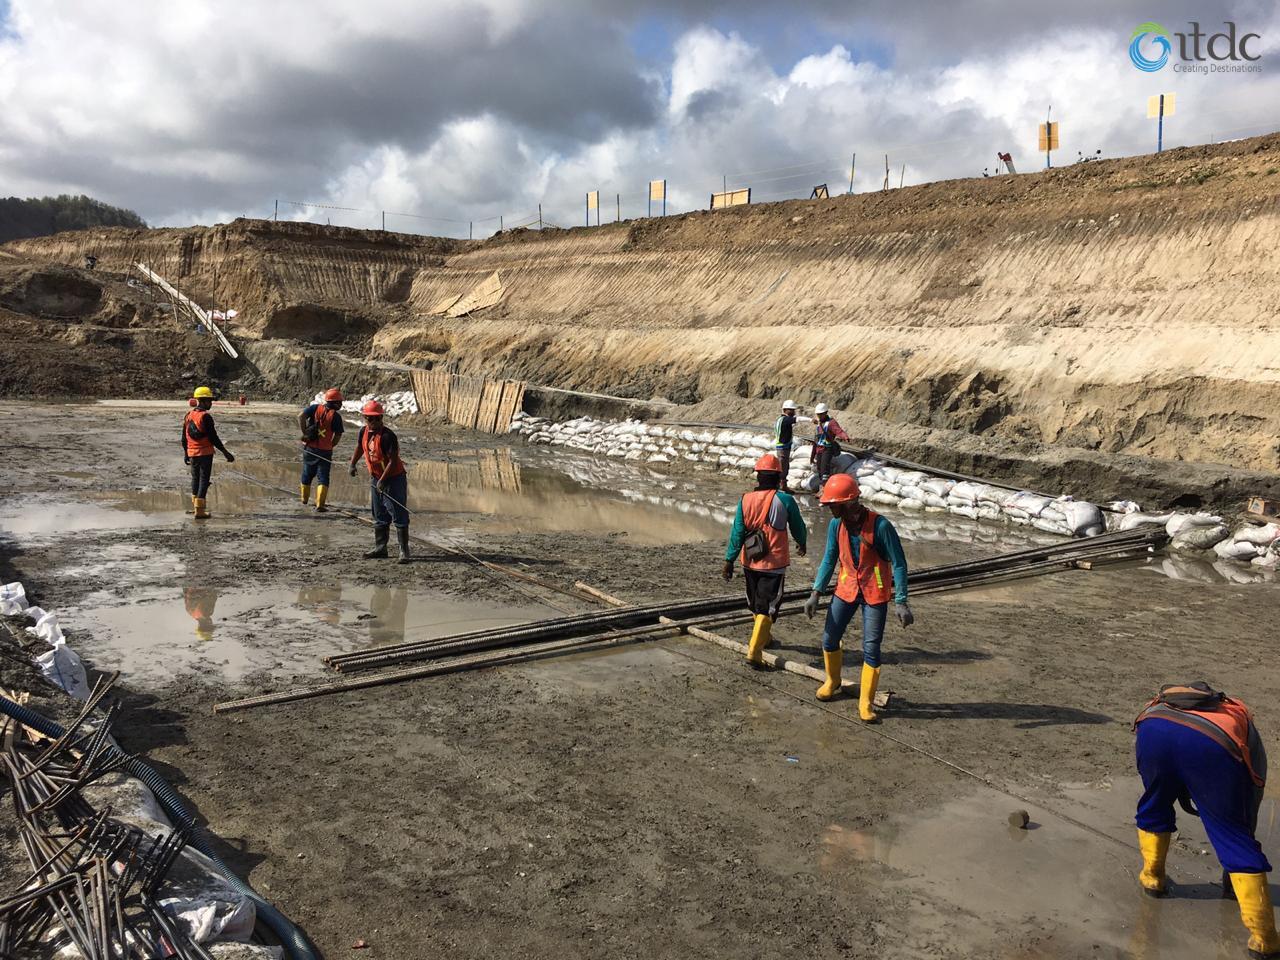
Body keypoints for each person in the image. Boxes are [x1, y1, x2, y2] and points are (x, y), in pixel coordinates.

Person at [1133, 682, 1278, 958]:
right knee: (1233, 835)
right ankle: (1264, 938)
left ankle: (1153, 878)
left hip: (1153, 731)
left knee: (1154, 805)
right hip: (1212, 745)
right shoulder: (1239, 719)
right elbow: (1251, 792)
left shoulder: (1158, 707)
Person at [803, 473, 912, 722]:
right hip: (846, 589)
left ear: (848, 503)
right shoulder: (836, 526)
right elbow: (830, 559)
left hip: (874, 592)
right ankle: (833, 681)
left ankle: (866, 702)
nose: (829, 509)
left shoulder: (881, 526)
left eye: (833, 505)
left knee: (871, 648)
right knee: (829, 638)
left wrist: (901, 600)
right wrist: (816, 593)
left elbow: (899, 564)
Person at [721, 453, 807, 667]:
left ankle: (765, 639)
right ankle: (754, 652)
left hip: (750, 561)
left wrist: (729, 560)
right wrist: (801, 542)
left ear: (758, 477)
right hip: (774, 564)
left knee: (755, 604)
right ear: (779, 477)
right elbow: (797, 526)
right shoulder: (785, 500)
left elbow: (737, 532)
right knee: (767, 607)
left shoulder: (745, 499)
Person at [349, 400, 410, 563]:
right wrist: (353, 464)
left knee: (398, 513)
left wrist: (383, 481)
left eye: (376, 419)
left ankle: (404, 551)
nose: (373, 422)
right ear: (364, 418)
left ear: (381, 418)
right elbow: (360, 448)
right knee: (379, 513)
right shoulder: (363, 432)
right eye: (369, 418)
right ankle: (381, 547)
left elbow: (393, 460)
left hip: (393, 479)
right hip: (376, 477)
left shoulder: (388, 436)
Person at [182, 386, 234, 520]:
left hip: (192, 452)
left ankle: (195, 507)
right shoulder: (205, 417)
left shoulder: (188, 415)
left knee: (195, 479)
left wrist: (186, 453)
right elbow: (213, 437)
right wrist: (225, 452)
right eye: (209, 401)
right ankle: (200, 511)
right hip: (205, 453)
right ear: (203, 401)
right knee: (204, 480)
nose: (211, 403)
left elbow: (184, 436)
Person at [298, 388, 345, 512]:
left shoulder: (314, 408)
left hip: (309, 448)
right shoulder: (336, 417)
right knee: (323, 477)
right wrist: (331, 445)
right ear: (334, 402)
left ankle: (304, 499)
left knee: (307, 473)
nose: (341, 404)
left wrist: (304, 432)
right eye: (339, 402)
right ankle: (320, 505)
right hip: (325, 451)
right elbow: (338, 435)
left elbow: (301, 416)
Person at [772, 400, 811, 492]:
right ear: (785, 410)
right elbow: (798, 419)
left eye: (793, 410)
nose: (793, 412)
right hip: (783, 447)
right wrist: (810, 420)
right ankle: (780, 486)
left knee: (784, 466)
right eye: (791, 410)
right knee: (783, 467)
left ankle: (782, 485)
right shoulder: (785, 419)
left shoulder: (779, 419)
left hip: (782, 446)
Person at [811, 403, 851, 483]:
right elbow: (816, 438)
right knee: (819, 468)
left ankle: (824, 487)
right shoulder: (819, 423)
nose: (819, 416)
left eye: (821, 414)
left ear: (826, 413)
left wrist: (845, 437)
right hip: (819, 449)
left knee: (824, 468)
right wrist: (812, 455)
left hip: (827, 449)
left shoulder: (831, 423)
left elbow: (839, 431)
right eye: (818, 414)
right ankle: (821, 486)